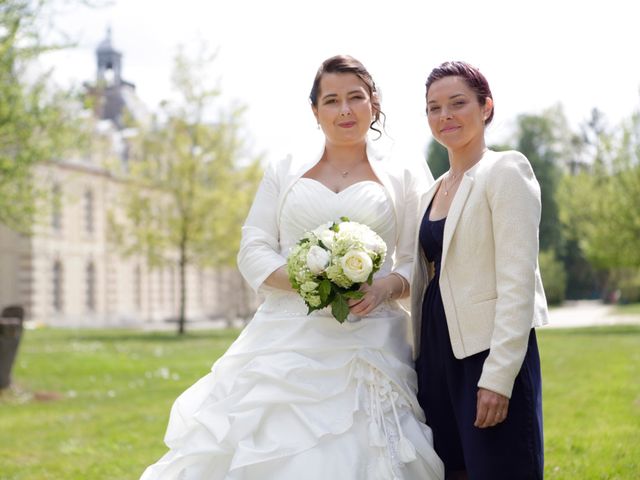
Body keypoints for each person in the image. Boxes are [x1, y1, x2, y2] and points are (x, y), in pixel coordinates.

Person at [140, 55, 444, 480]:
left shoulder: (406, 172)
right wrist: (310, 282)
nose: (345, 110)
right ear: (315, 110)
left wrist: (381, 290)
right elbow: (254, 247)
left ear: (374, 103)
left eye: (356, 97)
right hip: (285, 338)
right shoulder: (285, 168)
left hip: (370, 336)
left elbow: (418, 259)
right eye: (332, 100)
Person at [410, 61, 549, 480]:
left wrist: (498, 377)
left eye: (457, 104)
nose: (444, 116)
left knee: (500, 468)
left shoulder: (505, 170)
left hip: (486, 354)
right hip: (435, 351)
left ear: (486, 107)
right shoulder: (431, 190)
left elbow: (517, 281)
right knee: (452, 471)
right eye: (434, 108)